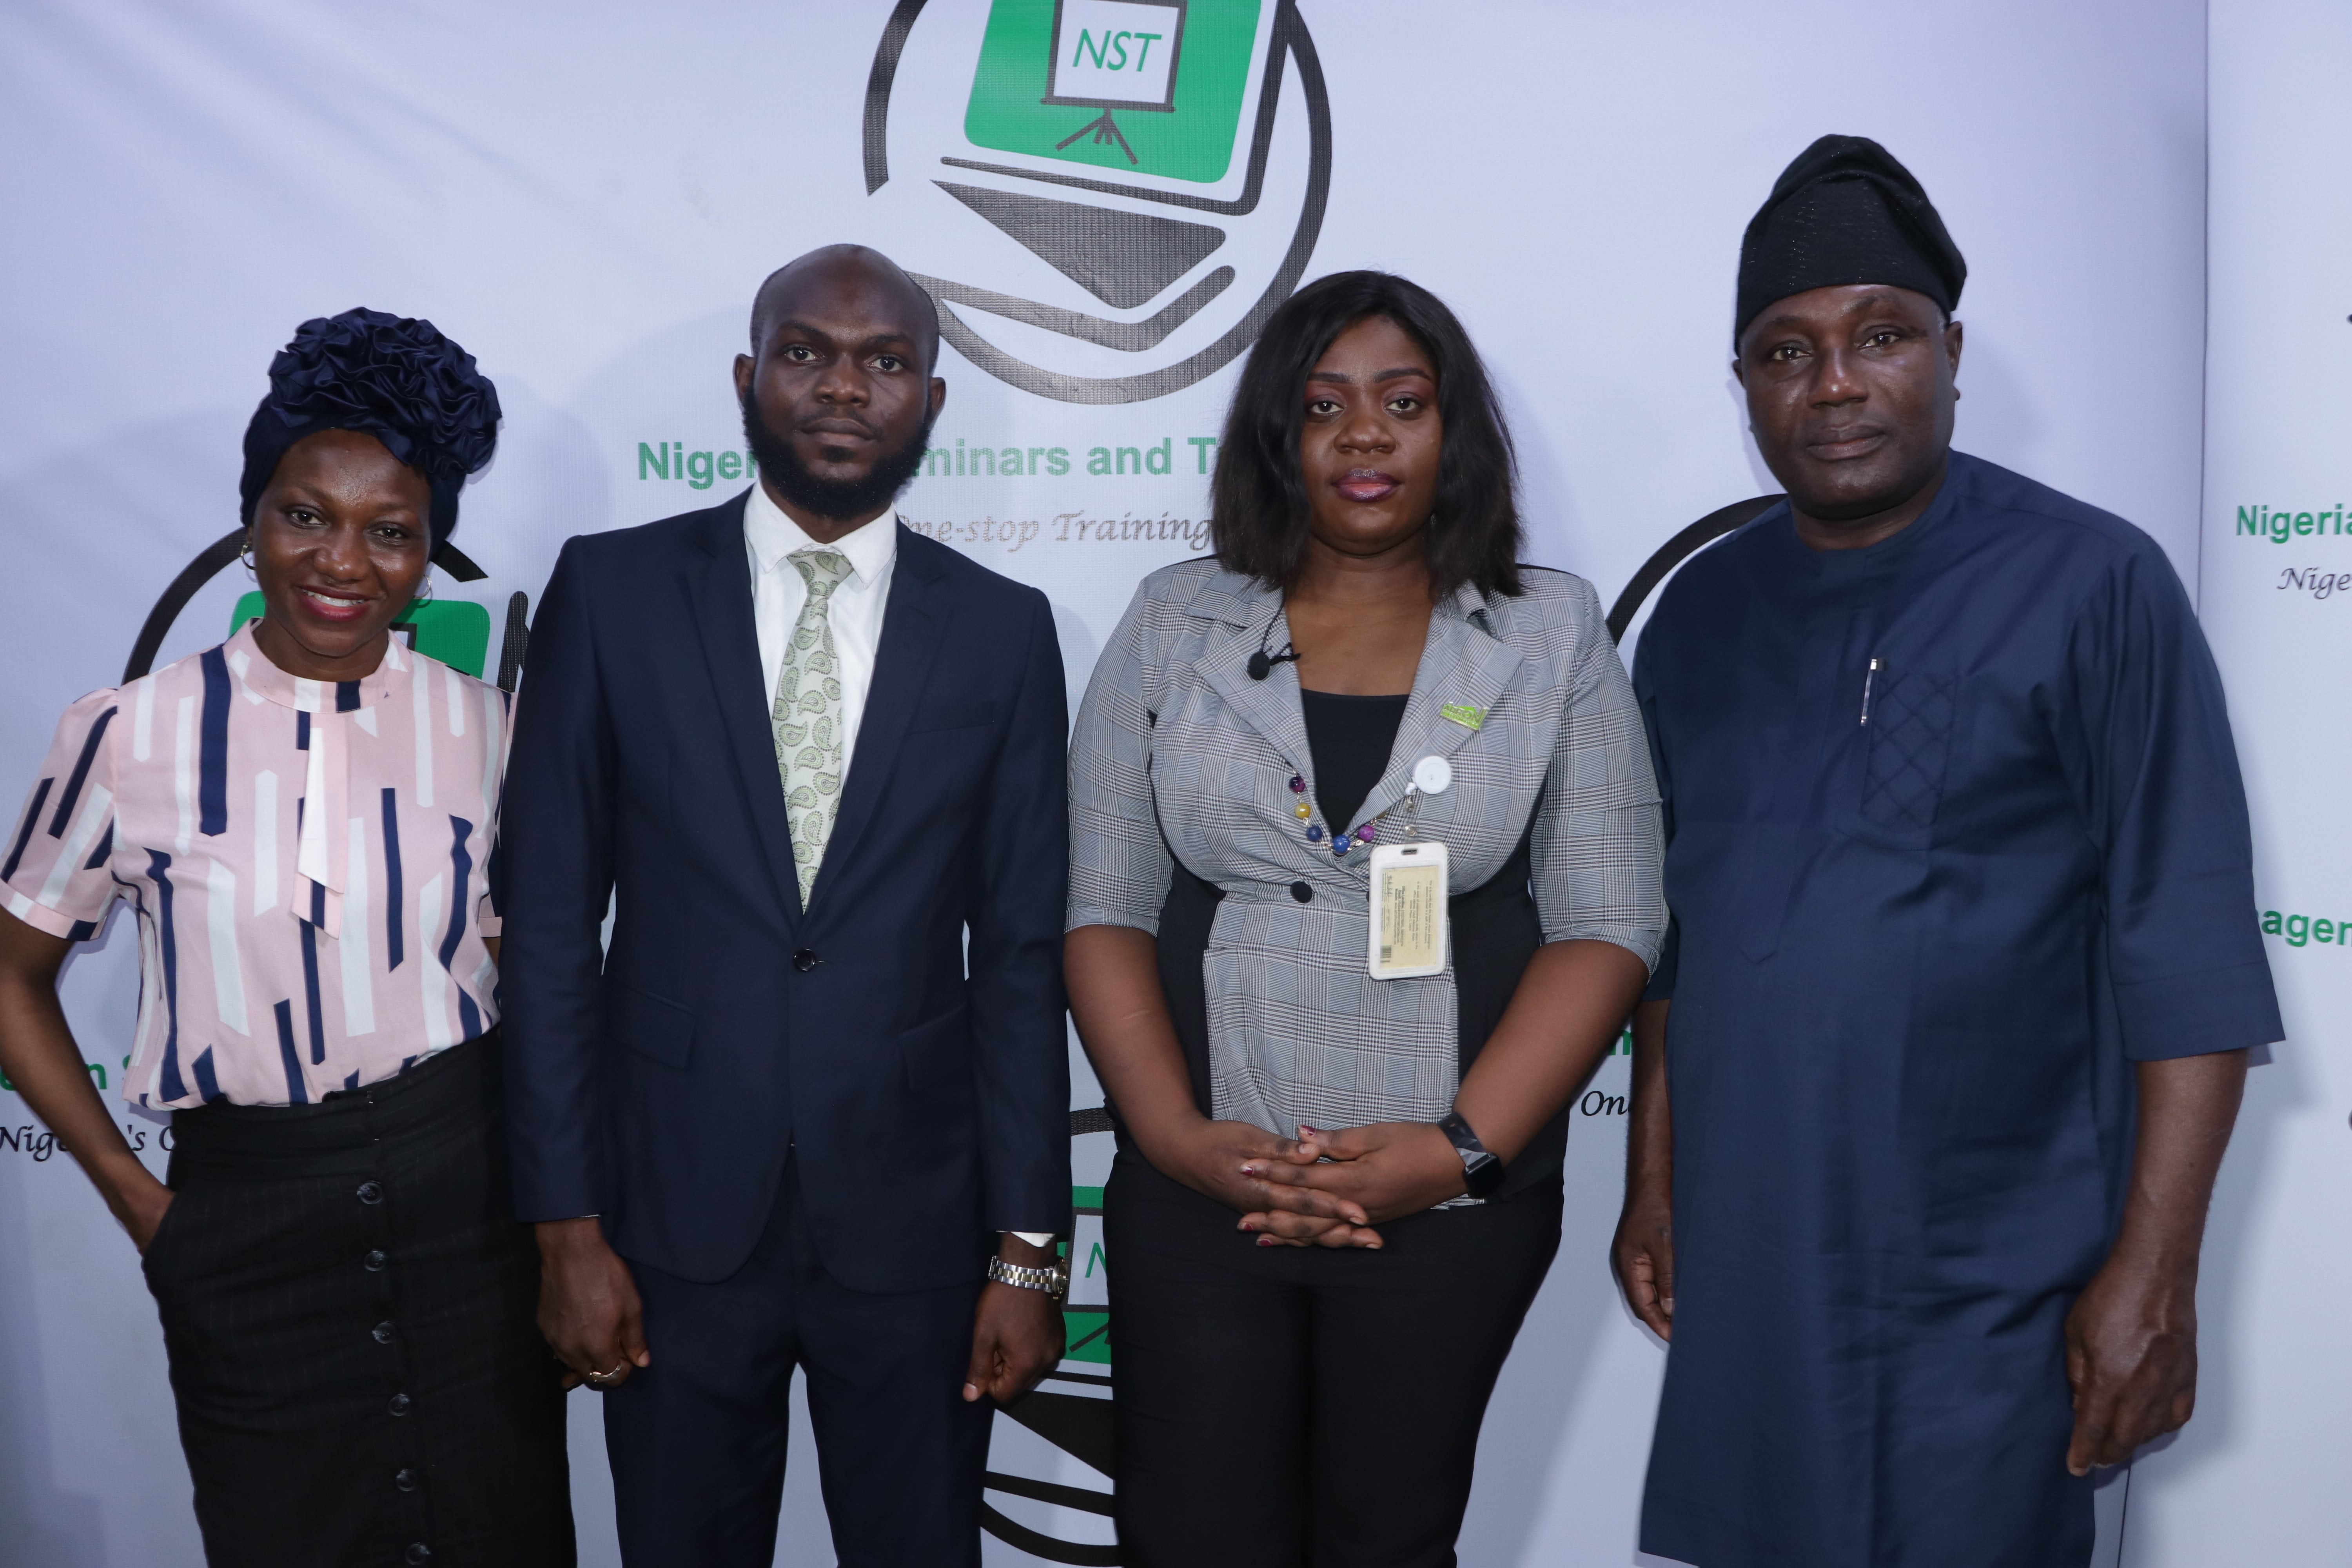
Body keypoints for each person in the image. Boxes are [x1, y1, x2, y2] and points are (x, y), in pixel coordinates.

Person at [1616, 135, 2283, 1567]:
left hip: (1994, 1270)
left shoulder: (2092, 582)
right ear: (1744, 385)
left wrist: (2157, 1277)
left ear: (1952, 353)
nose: (1834, 384)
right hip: (1757, 1252)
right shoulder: (1701, 616)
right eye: (1786, 352)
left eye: (1881, 336)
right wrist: (1654, 1181)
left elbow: (2186, 948)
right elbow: (1672, 939)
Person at [1065, 269, 1667, 1567]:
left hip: (1452, 1211)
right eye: (1324, 405)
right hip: (1203, 1196)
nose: (1363, 436)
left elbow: (1608, 921)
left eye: (1403, 401)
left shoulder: (1550, 630)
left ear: (1455, 431)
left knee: (1388, 1540)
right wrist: (1175, 1142)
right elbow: (1103, 905)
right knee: (1187, 1541)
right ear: (1276, 434)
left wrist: (1454, 1154)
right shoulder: (1176, 619)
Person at [497, 244, 1071, 1567]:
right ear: (748, 379)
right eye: (806, 353)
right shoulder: (614, 593)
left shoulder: (1003, 631)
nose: (843, 387)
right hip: (665, 1219)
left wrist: (1030, 1252)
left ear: (931, 400)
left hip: (920, 1226)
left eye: (885, 361)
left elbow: (1021, 959)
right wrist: (566, 1231)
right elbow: (548, 933)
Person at [0, 309, 573, 1566]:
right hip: (245, 1234)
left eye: (391, 532)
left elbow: (545, 991)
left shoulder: (491, 730)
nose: (342, 561)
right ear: (252, 519)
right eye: (306, 515)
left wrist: (567, 1221)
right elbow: (11, 976)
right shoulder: (128, 733)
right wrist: (147, 1210)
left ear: (430, 551)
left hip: (470, 1215)